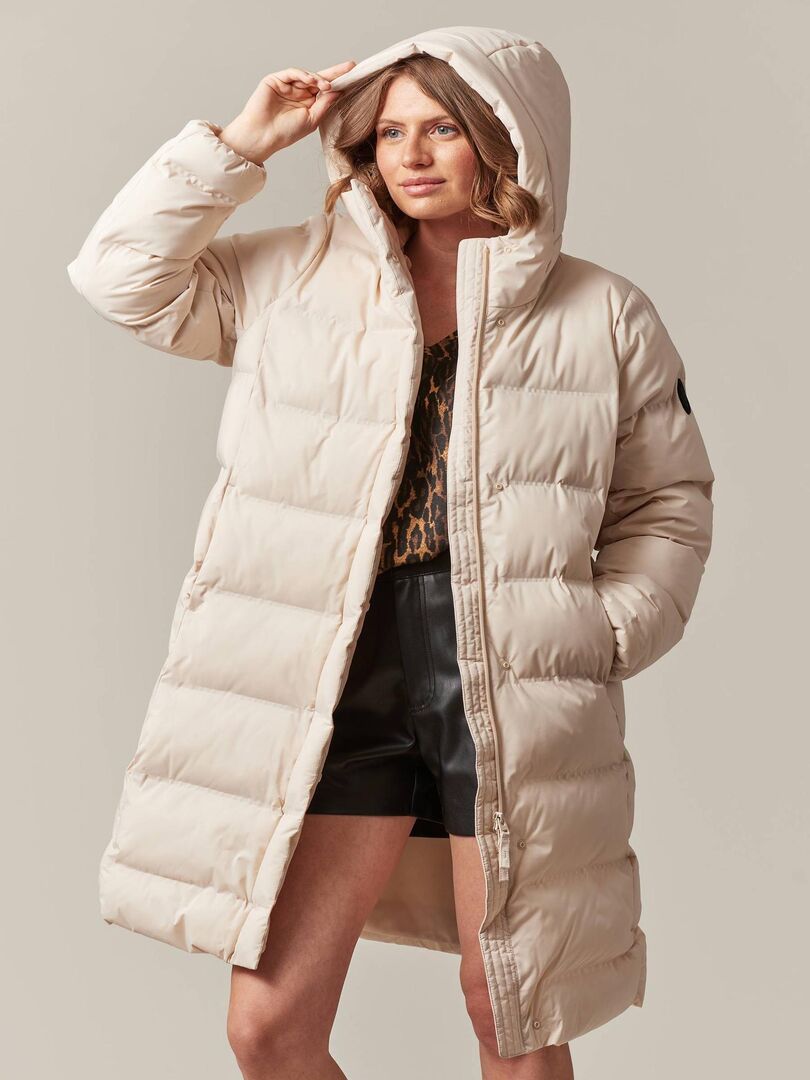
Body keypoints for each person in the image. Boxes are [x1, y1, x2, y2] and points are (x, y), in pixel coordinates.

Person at [66, 26, 715, 1080]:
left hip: (506, 671)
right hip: (339, 663)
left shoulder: (603, 313)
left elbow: (669, 506)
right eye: (390, 132)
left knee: (510, 1008)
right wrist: (241, 143)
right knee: (269, 1029)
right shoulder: (296, 275)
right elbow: (120, 278)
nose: (411, 155)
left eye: (442, 128)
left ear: (505, 139)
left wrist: (596, 635)